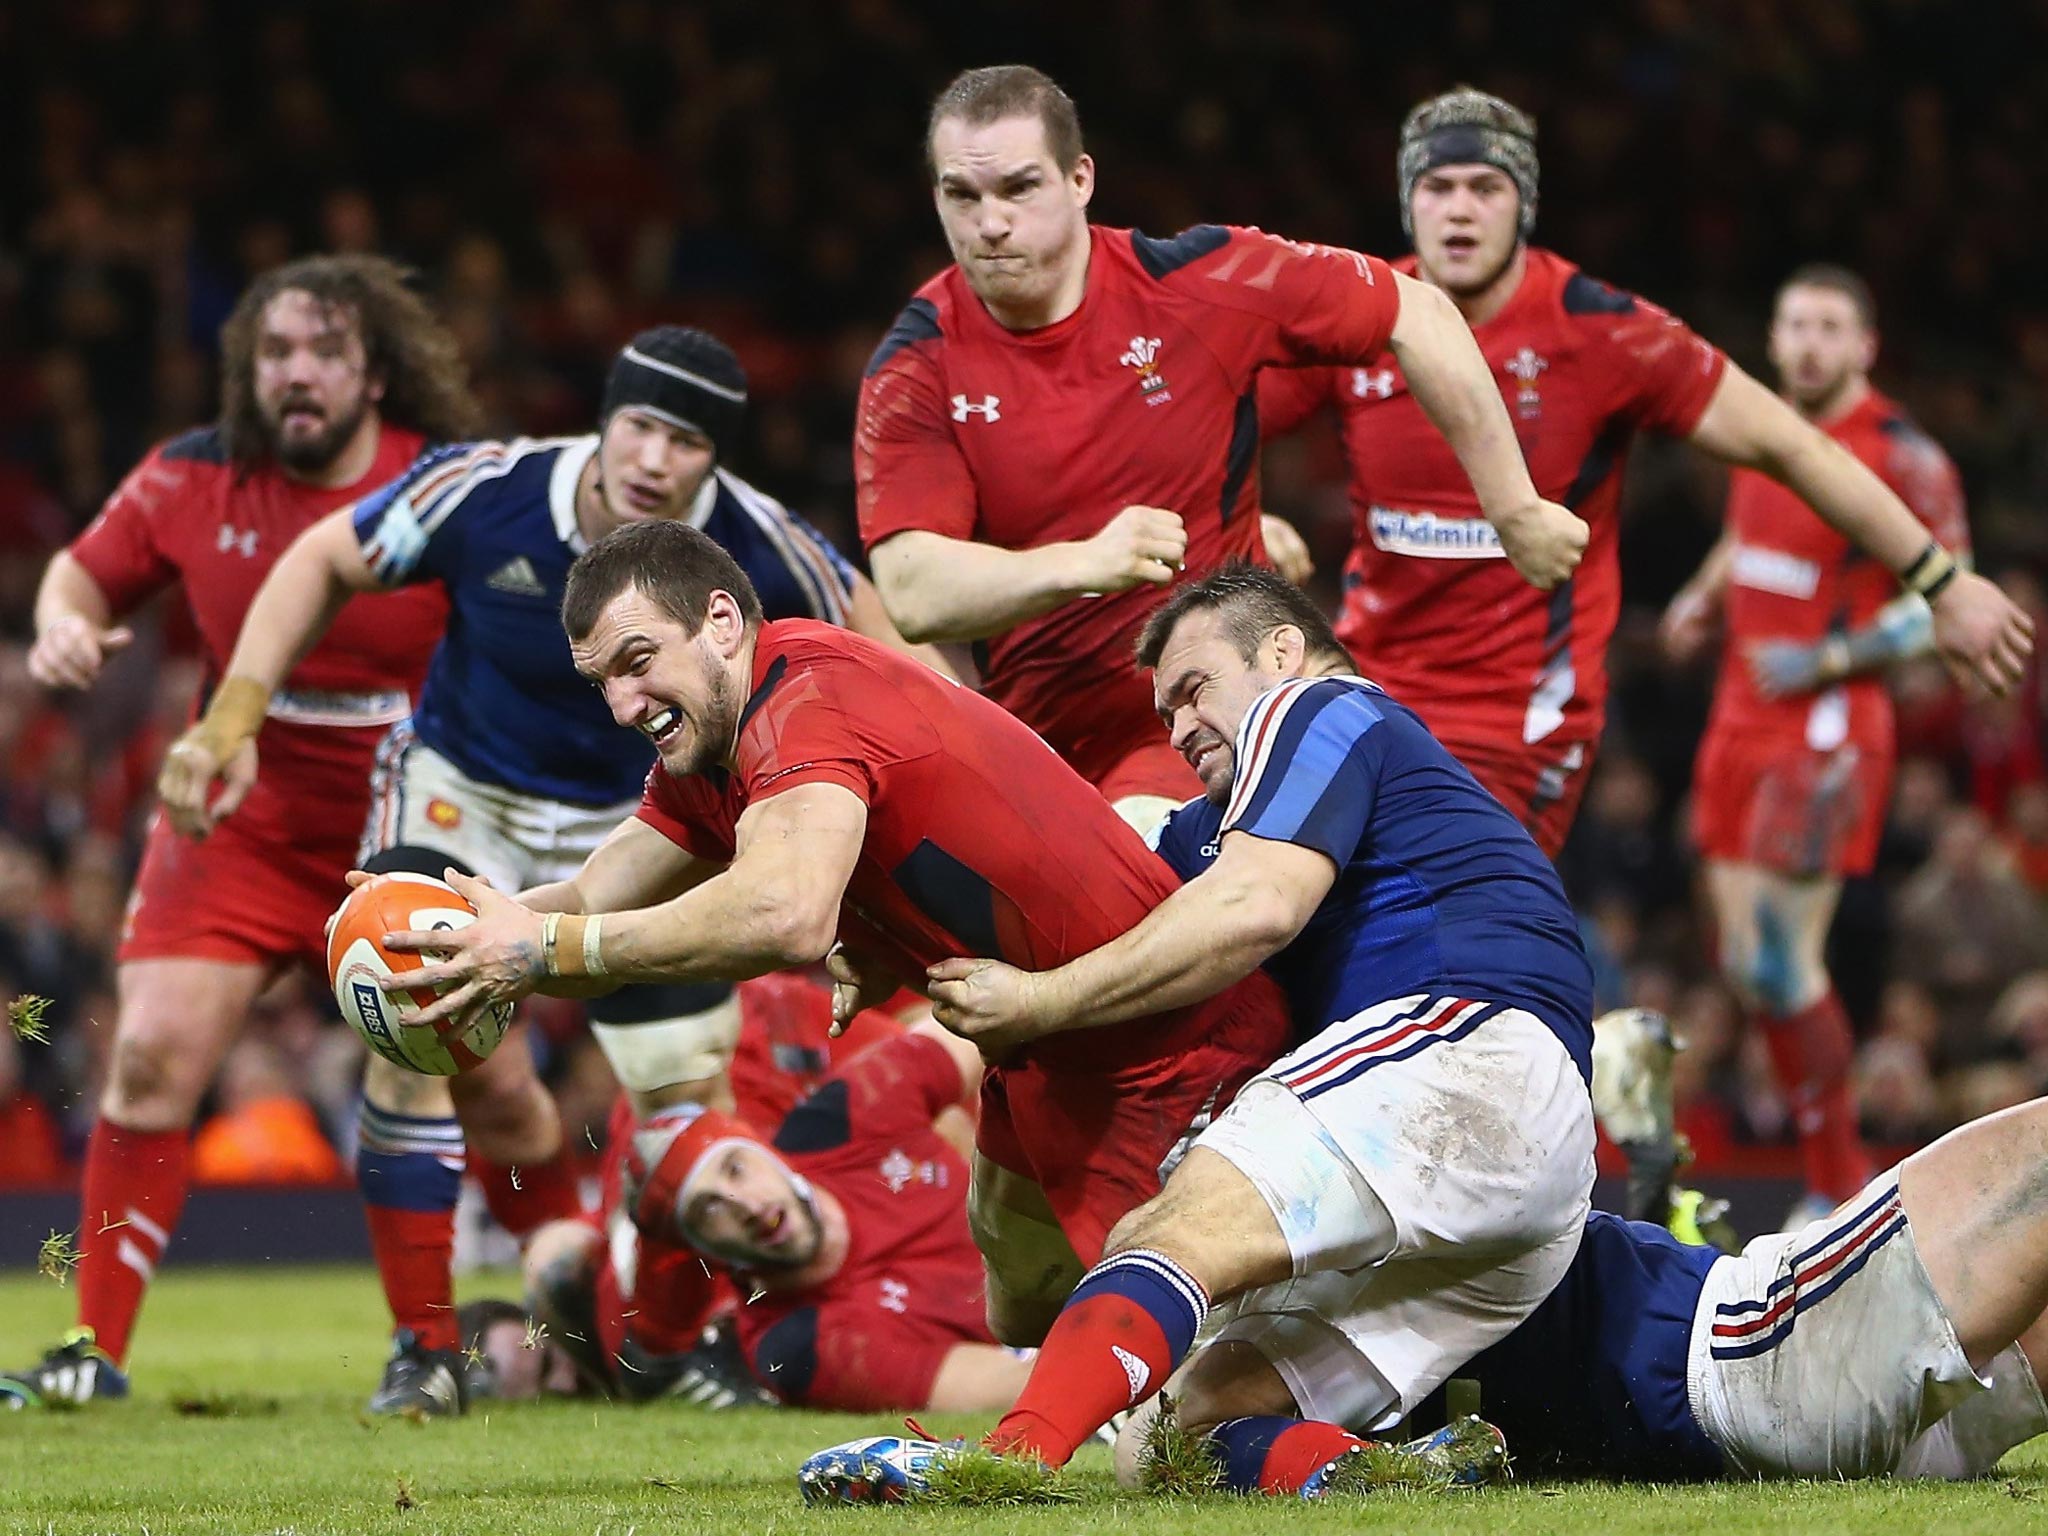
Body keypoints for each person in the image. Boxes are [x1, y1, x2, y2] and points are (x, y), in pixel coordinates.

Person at [158, 326, 933, 1416]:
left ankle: (676, 1349)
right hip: (457, 801)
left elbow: (896, 660)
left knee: (683, 1099)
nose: (657, 458)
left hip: (649, 828)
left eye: (689, 441)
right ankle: (423, 1348)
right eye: (643, 425)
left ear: (717, 459)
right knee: (407, 1027)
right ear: (606, 417)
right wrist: (234, 716)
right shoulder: (491, 488)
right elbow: (321, 557)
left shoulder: (756, 540)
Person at [370, 519, 1290, 1366]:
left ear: (722, 623)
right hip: (1040, 1043)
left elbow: (782, 914)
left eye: (639, 660)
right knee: (1021, 1306)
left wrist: (546, 955)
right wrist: (444, 938)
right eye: (602, 680)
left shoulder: (804, 700)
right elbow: (581, 895)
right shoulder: (715, 745)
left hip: (1157, 1040)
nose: (622, 704)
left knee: (1199, 1397)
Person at [801, 562, 1597, 1498]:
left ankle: (1002, 1463)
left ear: (1283, 652)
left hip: (1468, 1045)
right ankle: (1388, 1476)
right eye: (1164, 714)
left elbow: (1252, 911)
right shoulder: (1217, 827)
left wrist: (1038, 1004)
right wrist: (891, 936)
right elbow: (1078, 910)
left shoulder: (1321, 710)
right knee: (1169, 1436)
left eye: (1194, 689)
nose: (1179, 729)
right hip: (1513, 1186)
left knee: (1180, 1225)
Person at [1259, 88, 2032, 855]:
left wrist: (1942, 582)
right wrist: (1249, 518)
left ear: (1523, 205)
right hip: (1365, 693)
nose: (1460, 209)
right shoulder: (1366, 312)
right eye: (1438, 188)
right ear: (1408, 203)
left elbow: (1793, 445)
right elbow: (1215, 423)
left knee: (1427, 923)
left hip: (1520, 727)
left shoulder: (1604, 333)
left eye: (1485, 188)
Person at [858, 65, 1590, 832]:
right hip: (1047, 744)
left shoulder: (1197, 282)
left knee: (1162, 854)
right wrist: (1085, 562)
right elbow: (912, 588)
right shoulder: (918, 361)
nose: (991, 223)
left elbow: (1420, 314)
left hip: (1219, 705)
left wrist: (1514, 509)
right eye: (961, 196)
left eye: (1018, 188)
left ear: (1080, 179)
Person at [2, 255, 480, 1409]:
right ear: (246, 370)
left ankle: (450, 1351)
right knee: (149, 1058)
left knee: (487, 1092)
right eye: (276, 353)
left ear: (375, 373)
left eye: (324, 351)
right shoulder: (190, 478)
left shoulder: (449, 482)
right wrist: (63, 627)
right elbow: (78, 575)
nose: (297, 374)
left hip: (409, 810)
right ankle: (91, 1352)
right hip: (240, 809)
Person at [1116, 1096, 2048, 1491]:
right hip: (1756, 1360)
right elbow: (1175, 1430)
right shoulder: (1287, 1321)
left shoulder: (1314, 1309)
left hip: (1791, 1408)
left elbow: (1167, 1433)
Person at [1660, 267, 1973, 1217]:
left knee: (1779, 965)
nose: (1808, 344)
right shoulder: (1759, 431)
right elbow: (1752, 537)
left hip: (1826, 734)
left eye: (1830, 327)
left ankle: (1839, 1185)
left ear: (1865, 345)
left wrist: (1829, 658)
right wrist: (1705, 594)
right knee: (1747, 967)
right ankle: (1829, 1170)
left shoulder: (1902, 455)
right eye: (1793, 324)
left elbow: (1948, 605)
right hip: (1738, 720)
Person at [526, 1023, 1033, 1414]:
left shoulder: (845, 1117)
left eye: (736, 1168)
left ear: (761, 1148)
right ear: (704, 1251)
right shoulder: (798, 1345)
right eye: (709, 1208)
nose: (743, 1203)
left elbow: (978, 1020)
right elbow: (1004, 1385)